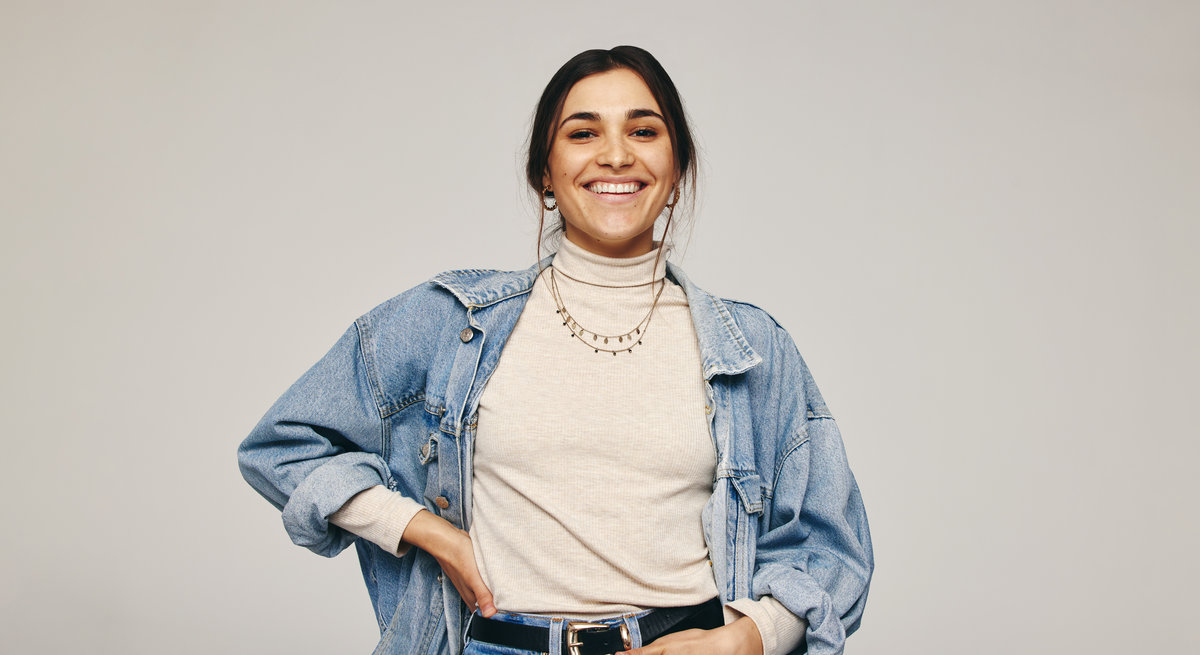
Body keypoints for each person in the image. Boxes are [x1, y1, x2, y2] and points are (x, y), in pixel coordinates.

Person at [238, 45, 872, 655]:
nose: (617, 155)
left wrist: (746, 637)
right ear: (544, 172)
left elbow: (831, 548)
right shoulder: (452, 324)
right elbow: (282, 446)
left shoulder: (751, 349)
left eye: (644, 131)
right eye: (584, 133)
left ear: (677, 168)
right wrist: (425, 531)